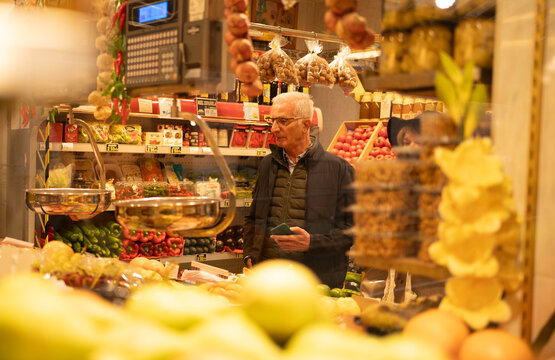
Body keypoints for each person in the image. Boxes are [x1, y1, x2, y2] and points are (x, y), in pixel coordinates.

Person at [243, 92, 355, 288]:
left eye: (283, 121)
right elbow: (253, 217)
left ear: (305, 125)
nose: (275, 128)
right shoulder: (267, 165)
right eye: (273, 121)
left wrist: (312, 242)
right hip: (269, 277)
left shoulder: (339, 169)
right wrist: (249, 255)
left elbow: (353, 231)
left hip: (314, 281)